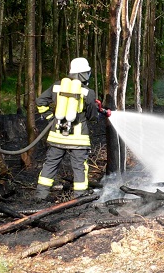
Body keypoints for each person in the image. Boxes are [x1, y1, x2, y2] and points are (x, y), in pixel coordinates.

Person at [34, 57, 109, 200]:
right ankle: (79, 197)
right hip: (78, 139)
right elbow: (92, 117)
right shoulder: (88, 92)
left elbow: (40, 102)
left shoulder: (57, 86)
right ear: (84, 74)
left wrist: (51, 118)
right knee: (79, 167)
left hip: (57, 136)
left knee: (50, 164)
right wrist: (94, 112)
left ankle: (41, 195)